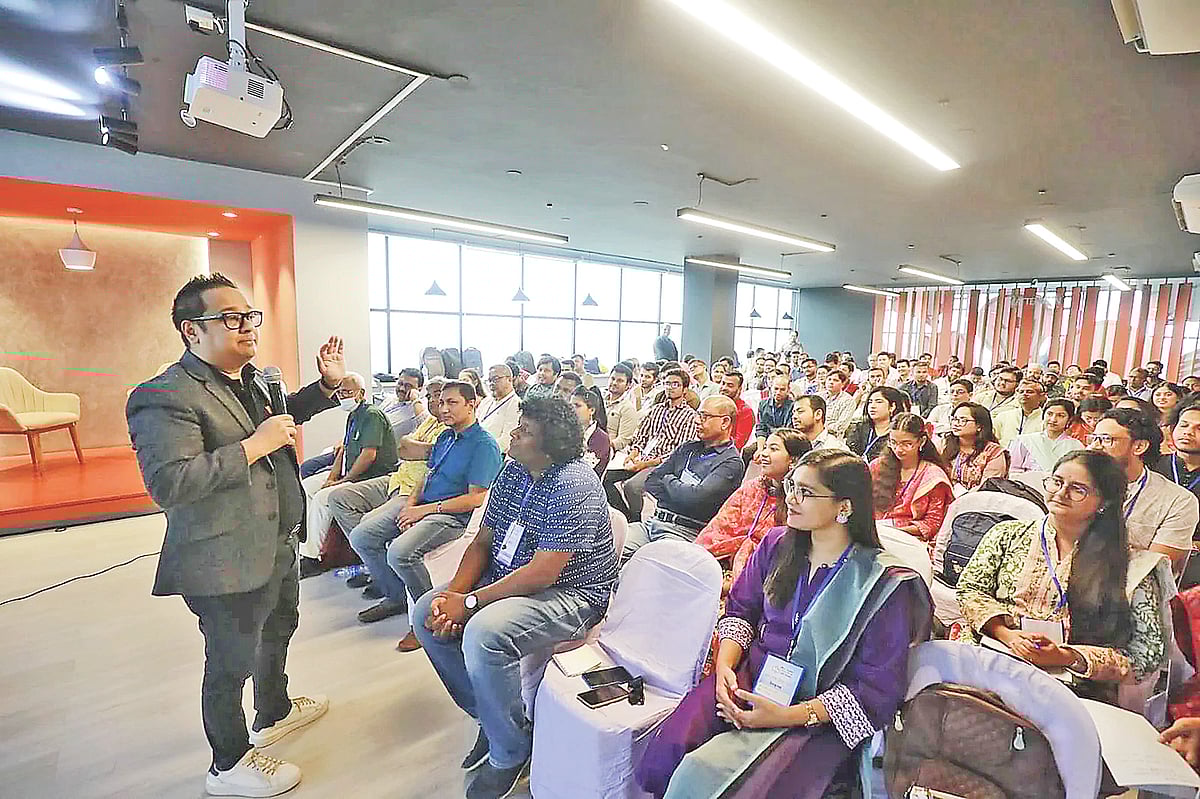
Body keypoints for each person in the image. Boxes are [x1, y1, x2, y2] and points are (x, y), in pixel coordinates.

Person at [126, 274, 344, 796]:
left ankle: (275, 710)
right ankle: (227, 762)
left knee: (279, 628)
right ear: (191, 332)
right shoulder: (162, 396)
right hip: (224, 554)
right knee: (229, 661)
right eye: (230, 317)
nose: (246, 327)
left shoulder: (253, 379)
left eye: (249, 315)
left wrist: (327, 388)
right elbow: (170, 483)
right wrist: (254, 446)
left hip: (277, 540)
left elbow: (282, 414)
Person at [635, 450, 932, 799]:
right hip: (749, 677)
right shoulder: (778, 544)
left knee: (715, 779)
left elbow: (874, 689)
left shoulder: (883, 584)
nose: (790, 498)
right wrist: (726, 669)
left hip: (818, 712)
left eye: (805, 492)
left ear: (844, 507)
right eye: (792, 485)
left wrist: (786, 716)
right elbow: (740, 611)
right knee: (668, 751)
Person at [413, 396, 619, 799]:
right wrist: (456, 593)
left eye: (523, 431)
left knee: (484, 633)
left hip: (571, 593)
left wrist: (471, 604)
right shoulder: (513, 472)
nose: (512, 432)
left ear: (549, 445)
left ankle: (510, 750)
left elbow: (543, 572)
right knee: (426, 611)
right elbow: (483, 541)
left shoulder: (573, 484)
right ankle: (493, 722)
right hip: (511, 576)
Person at [956, 451, 1168, 705]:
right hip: (992, 658)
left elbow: (1147, 654)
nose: (1060, 493)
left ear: (1104, 503)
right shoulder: (1007, 534)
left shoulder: (1131, 567)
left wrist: (1066, 656)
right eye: (1057, 482)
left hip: (1074, 690)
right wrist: (1005, 634)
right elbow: (970, 589)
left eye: (1078, 489)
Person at [349, 380, 504, 652]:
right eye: (441, 402)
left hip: (451, 516)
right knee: (362, 536)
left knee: (399, 552)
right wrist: (410, 504)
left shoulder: (483, 445)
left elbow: (476, 498)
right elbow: (426, 475)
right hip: (422, 503)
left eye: (452, 403)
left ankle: (425, 618)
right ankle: (396, 596)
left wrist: (423, 510)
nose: (443, 409)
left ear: (472, 404)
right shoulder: (445, 437)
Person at [328, 378, 447, 595]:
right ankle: (378, 567)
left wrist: (416, 449)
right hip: (396, 479)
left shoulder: (452, 431)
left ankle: (394, 592)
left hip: (414, 491)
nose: (433, 400)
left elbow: (429, 456)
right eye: (429, 396)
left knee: (363, 532)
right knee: (338, 498)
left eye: (438, 394)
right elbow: (402, 447)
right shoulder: (430, 422)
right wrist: (419, 449)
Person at [298, 371, 399, 578]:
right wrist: (331, 477)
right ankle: (304, 547)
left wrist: (343, 481)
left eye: (347, 392)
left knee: (321, 499)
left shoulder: (372, 415)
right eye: (340, 393)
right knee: (306, 487)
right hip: (348, 472)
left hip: (370, 477)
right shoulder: (353, 415)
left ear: (361, 393)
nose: (343, 397)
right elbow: (344, 449)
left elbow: (368, 456)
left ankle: (314, 558)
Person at [623, 396, 744, 557]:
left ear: (725, 422)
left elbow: (695, 499)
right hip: (654, 522)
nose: (696, 421)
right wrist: (681, 492)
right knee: (612, 547)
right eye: (697, 415)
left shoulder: (731, 462)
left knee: (648, 562)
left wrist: (669, 479)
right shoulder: (688, 448)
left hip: (684, 532)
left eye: (704, 416)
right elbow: (652, 481)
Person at [1088, 408, 1198, 570]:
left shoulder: (1178, 501)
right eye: (1093, 438)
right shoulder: (1072, 483)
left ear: (1139, 446)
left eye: (1106, 439)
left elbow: (1151, 569)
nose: (1094, 447)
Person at [695, 429, 810, 571]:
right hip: (720, 563)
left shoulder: (799, 502)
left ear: (793, 460)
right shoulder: (753, 488)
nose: (764, 454)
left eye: (773, 449)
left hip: (761, 575)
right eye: (765, 447)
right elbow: (719, 528)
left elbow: (786, 557)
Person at [604, 368, 698, 522]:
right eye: (667, 384)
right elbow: (642, 436)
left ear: (685, 389)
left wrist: (644, 464)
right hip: (643, 457)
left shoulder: (689, 415)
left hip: (664, 464)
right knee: (605, 478)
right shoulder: (657, 410)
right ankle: (626, 516)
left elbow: (678, 452)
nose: (670, 387)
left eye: (675, 384)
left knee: (632, 487)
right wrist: (633, 453)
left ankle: (635, 519)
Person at [870, 412, 953, 546]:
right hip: (875, 532)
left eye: (907, 444)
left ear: (922, 441)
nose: (898, 449)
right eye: (893, 442)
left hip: (909, 540)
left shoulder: (933, 477)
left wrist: (895, 532)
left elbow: (932, 523)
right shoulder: (877, 467)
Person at [1154, 400, 1200, 587]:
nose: (1188, 432)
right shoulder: (1151, 466)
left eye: (1199, 428)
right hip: (1152, 553)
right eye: (1184, 425)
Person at [942, 402, 1009, 493]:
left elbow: (989, 486)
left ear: (979, 426)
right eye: (954, 419)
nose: (956, 424)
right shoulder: (944, 444)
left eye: (963, 420)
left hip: (977, 500)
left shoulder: (994, 453)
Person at [1008, 398, 1084, 473]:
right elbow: (1013, 469)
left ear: (1069, 419)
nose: (1053, 419)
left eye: (1060, 415)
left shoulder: (1076, 446)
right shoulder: (1025, 440)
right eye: (1049, 414)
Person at [845, 386, 909, 462]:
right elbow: (849, 452)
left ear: (892, 407)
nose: (872, 406)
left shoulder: (899, 431)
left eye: (879, 402)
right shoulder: (860, 427)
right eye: (870, 402)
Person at [745, 374, 793, 465]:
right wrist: (760, 449)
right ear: (771, 388)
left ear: (788, 391)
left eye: (782, 389)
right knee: (747, 452)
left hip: (784, 441)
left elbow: (787, 431)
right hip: (766, 439)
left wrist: (769, 448)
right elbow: (761, 428)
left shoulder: (793, 406)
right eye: (776, 388)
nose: (778, 392)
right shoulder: (763, 404)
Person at [476, 364, 521, 454]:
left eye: (496, 379)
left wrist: (481, 452)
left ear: (509, 379)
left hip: (493, 454)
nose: (491, 383)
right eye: (489, 380)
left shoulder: (516, 404)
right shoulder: (486, 401)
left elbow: (507, 440)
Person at [993, 378, 1046, 447]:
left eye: (1029, 392)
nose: (1024, 394)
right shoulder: (1003, 417)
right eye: (1021, 392)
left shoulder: (1045, 420)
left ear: (1041, 396)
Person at [571, 386, 611, 475]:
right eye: (570, 405)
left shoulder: (601, 438)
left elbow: (586, 470)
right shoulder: (566, 430)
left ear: (591, 410)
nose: (572, 409)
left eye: (577, 406)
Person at [603, 362, 640, 451]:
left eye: (620, 381)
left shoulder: (628, 408)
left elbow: (623, 440)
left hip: (613, 451)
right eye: (612, 379)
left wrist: (603, 447)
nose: (614, 383)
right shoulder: (600, 401)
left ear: (628, 385)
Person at [720, 369, 756, 450]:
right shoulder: (715, 405)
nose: (724, 388)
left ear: (739, 389)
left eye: (730, 385)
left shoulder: (745, 412)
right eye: (723, 383)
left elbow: (738, 444)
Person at [821, 369, 858, 437]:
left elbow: (840, 426)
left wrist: (820, 427)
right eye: (829, 379)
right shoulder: (818, 396)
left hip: (833, 438)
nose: (831, 382)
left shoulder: (848, 401)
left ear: (843, 384)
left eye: (835, 380)